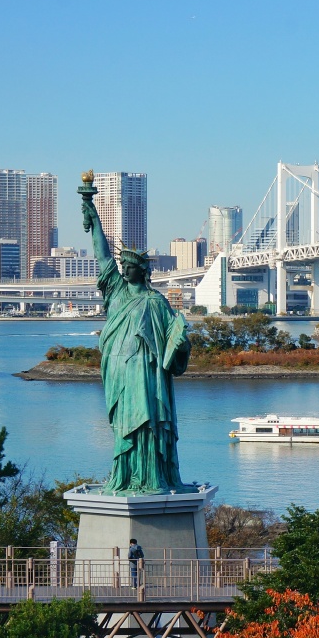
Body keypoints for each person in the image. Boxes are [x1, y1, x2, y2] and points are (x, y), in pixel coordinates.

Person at [79, 171, 191, 496]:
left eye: (129, 266)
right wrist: (91, 208)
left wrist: (182, 344)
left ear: (141, 270)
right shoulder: (114, 290)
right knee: (123, 426)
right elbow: (101, 253)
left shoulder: (156, 301)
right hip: (118, 368)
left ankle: (151, 477)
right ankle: (126, 475)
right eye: (122, 265)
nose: (123, 269)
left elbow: (175, 341)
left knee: (149, 421)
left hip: (147, 371)